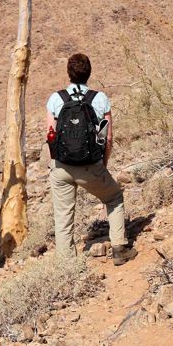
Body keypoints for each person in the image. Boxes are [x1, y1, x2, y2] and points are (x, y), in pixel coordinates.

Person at [46, 53, 138, 266]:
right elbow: (107, 137)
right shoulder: (100, 99)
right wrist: (102, 165)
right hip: (90, 166)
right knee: (114, 197)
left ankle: (66, 266)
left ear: (68, 73)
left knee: (63, 217)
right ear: (89, 73)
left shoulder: (55, 99)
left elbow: (50, 134)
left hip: (61, 167)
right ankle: (119, 249)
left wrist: (56, 164)